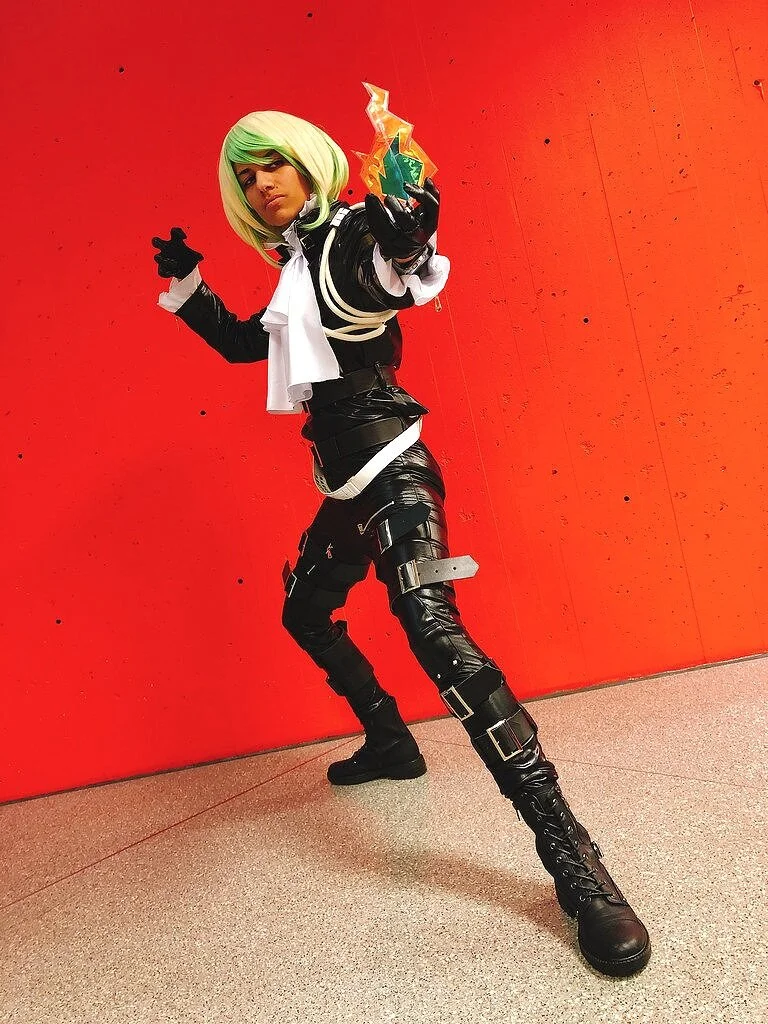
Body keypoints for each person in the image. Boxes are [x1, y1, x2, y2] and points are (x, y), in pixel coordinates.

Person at [151, 109, 651, 977]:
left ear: (309, 165)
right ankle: (389, 740)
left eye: (272, 166)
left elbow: (383, 278)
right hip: (342, 487)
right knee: (305, 612)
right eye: (246, 176)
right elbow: (246, 345)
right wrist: (191, 287)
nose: (260, 185)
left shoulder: (349, 237)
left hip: (395, 470)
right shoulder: (297, 263)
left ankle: (578, 865)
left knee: (435, 634)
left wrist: (410, 237)